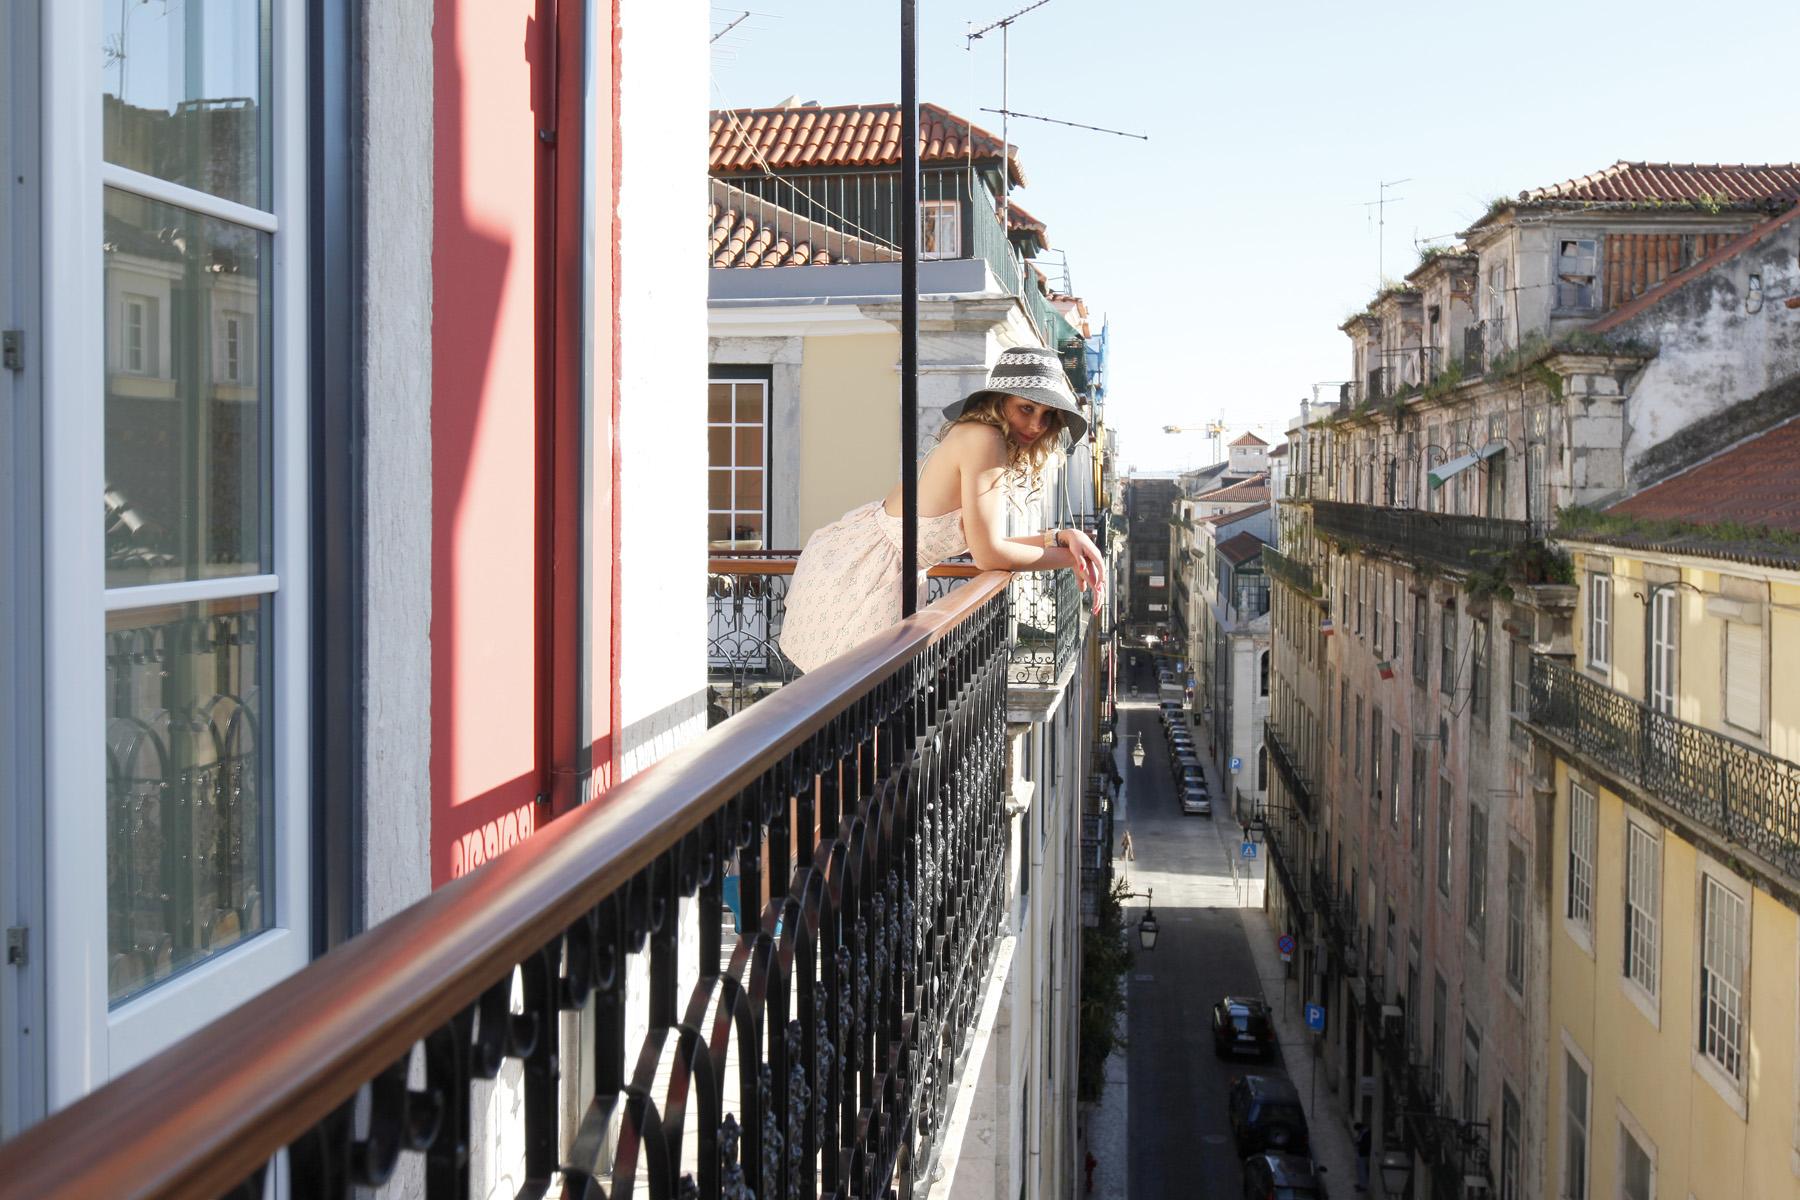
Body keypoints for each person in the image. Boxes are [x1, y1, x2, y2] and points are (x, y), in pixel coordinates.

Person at [780, 346, 1107, 673]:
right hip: (866, 575)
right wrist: (1073, 559)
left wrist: (1061, 537)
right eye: (1026, 408)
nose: (1036, 426)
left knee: (842, 704)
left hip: (862, 563)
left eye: (1047, 415)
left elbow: (990, 544)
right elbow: (989, 555)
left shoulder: (975, 435)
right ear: (999, 401)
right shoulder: (985, 440)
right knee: (847, 703)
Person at [1354, 1121, 1371, 1193]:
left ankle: (1363, 1186)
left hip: (1364, 1155)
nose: (1358, 1131)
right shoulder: (1363, 1133)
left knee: (1363, 1171)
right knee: (1360, 1170)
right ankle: (1360, 1184)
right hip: (1360, 1153)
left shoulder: (1366, 1134)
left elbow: (1366, 1145)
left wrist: (1359, 1144)